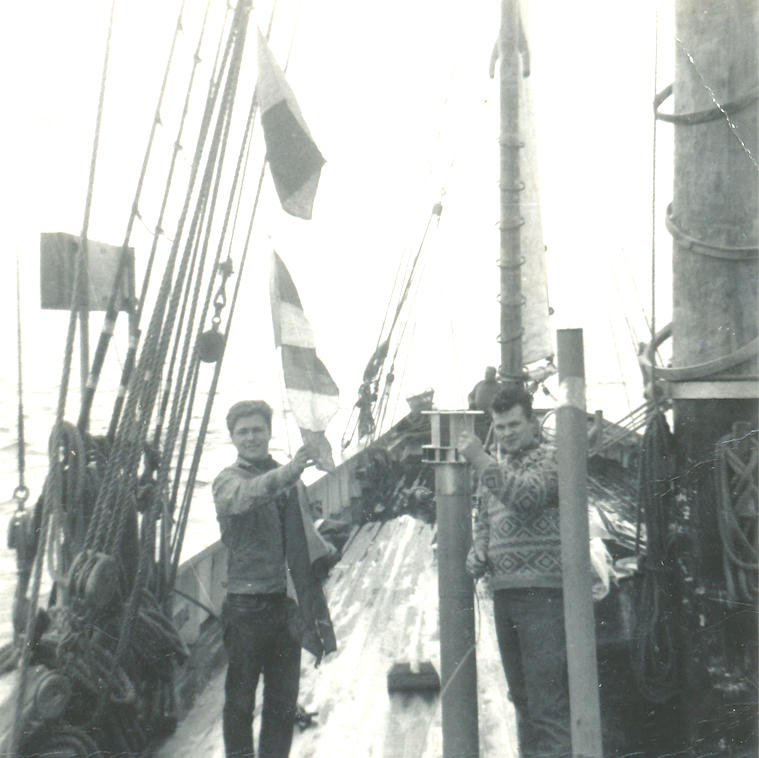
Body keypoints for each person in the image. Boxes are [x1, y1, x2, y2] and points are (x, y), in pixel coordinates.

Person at [213, 400, 335, 758]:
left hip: (286, 605)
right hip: (246, 610)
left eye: (257, 430)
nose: (251, 437)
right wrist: (289, 472)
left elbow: (305, 530)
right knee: (240, 702)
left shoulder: (290, 480)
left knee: (282, 701)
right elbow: (246, 497)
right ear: (233, 438)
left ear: (269, 433)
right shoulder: (227, 481)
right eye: (243, 432)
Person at [457, 387, 571, 758]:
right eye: (500, 426)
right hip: (504, 593)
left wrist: (479, 458)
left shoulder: (552, 459)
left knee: (547, 704)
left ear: (533, 424)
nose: (506, 433)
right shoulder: (494, 468)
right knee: (521, 699)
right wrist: (479, 551)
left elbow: (525, 497)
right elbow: (484, 519)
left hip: (542, 595)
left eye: (514, 425)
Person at [467, 366, 501, 441]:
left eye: (489, 373)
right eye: (486, 373)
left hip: (491, 418)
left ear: (494, 374)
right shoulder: (479, 384)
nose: (486, 375)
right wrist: (471, 402)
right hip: (478, 416)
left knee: (489, 437)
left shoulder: (499, 387)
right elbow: (470, 396)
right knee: (477, 435)